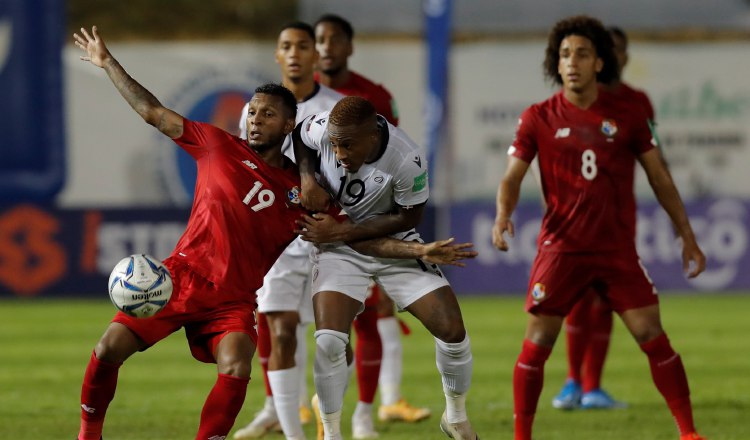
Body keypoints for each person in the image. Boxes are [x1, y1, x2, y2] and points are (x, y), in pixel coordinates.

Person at [73, 26, 477, 440]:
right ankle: (88, 434)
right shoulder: (215, 145)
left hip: (232, 302)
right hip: (181, 279)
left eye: (267, 114)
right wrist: (108, 65)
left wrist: (418, 251)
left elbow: (353, 238)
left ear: (290, 125)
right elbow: (153, 112)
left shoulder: (304, 196)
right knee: (107, 349)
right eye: (251, 112)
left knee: (237, 363)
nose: (254, 120)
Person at [491, 15, 707, 440]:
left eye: (582, 54)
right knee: (537, 343)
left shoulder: (627, 115)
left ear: (599, 64)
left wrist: (687, 235)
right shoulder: (538, 117)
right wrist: (503, 216)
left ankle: (688, 433)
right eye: (565, 55)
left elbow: (659, 177)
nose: (572, 62)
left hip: (615, 251)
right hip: (561, 249)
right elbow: (512, 177)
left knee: (652, 334)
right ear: (557, 63)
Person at [293, 96, 480, 440]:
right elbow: (299, 136)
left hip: (393, 240)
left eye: (347, 146)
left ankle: (455, 417)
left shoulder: (407, 159)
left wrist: (344, 230)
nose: (338, 154)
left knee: (453, 331)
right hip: (336, 246)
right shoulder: (324, 129)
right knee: (330, 342)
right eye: (334, 145)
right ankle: (332, 434)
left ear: (372, 136)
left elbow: (407, 217)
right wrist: (307, 178)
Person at [313, 13, 430, 437]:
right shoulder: (299, 95)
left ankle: (363, 412)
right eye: (318, 40)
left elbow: (390, 157)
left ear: (349, 46)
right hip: (309, 220)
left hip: (363, 223)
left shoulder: (374, 95)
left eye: (334, 39)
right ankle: (289, 406)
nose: (325, 47)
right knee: (290, 321)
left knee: (369, 316)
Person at [233, 21, 345, 440]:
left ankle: (333, 417)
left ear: (316, 55)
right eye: (286, 46)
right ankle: (295, 434)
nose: (295, 53)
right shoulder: (259, 108)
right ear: (277, 55)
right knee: (279, 332)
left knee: (333, 342)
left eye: (303, 45)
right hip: (278, 243)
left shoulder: (341, 108)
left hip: (329, 238)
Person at [550, 25, 657, 411]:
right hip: (575, 221)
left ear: (620, 58)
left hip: (618, 219)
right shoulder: (571, 102)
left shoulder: (637, 103)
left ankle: (591, 386)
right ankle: (572, 382)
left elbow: (652, 161)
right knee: (578, 300)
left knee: (605, 300)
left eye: (619, 50)